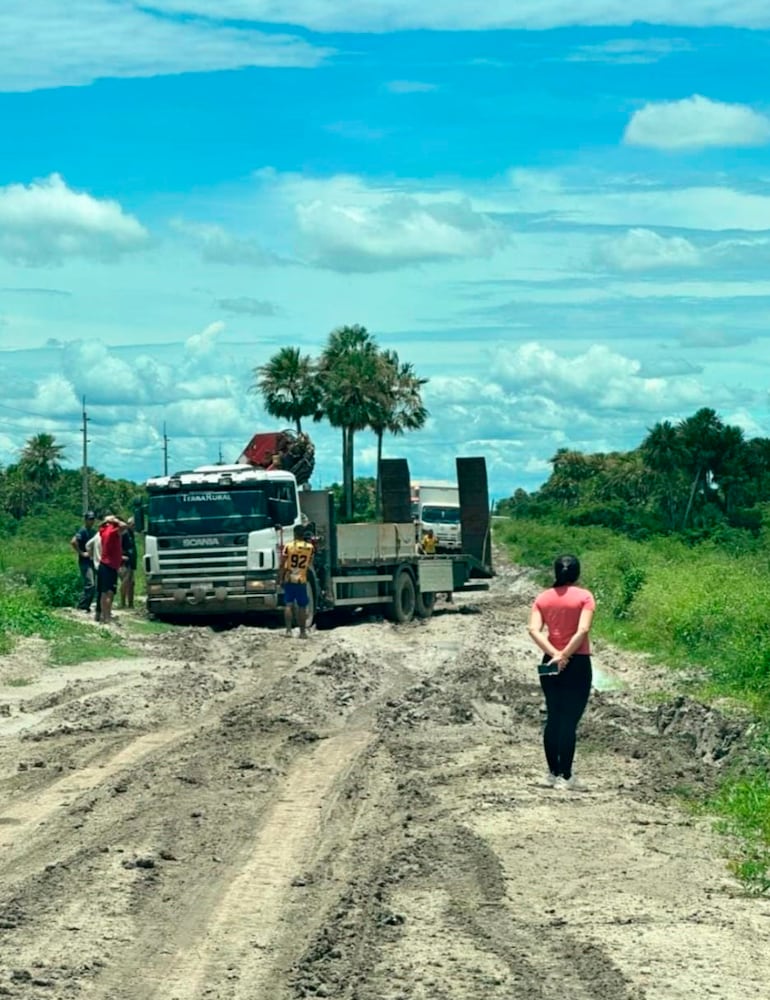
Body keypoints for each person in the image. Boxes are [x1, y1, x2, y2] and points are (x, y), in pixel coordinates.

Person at [528, 554, 595, 790]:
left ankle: (552, 774)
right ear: (577, 573)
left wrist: (555, 654)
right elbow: (583, 629)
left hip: (549, 662)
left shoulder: (542, 598)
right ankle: (566, 777)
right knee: (569, 720)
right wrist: (565, 654)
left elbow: (533, 630)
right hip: (577, 661)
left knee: (553, 718)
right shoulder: (585, 597)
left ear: (556, 572)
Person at [279, 524, 315, 638]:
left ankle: (288, 631)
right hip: (302, 579)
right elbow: (309, 562)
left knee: (288, 605)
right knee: (302, 606)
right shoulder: (309, 547)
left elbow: (282, 564)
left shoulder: (288, 546)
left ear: (294, 533)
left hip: (289, 578)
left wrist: (280, 577)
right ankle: (303, 632)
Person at [98, 515, 127, 625]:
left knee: (104, 593)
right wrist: (115, 520)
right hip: (109, 566)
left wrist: (107, 520)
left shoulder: (103, 530)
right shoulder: (112, 532)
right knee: (109, 593)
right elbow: (124, 526)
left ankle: (104, 616)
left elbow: (100, 525)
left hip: (105, 565)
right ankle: (107, 618)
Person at [70, 511, 97, 612]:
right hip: (84, 561)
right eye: (90, 519)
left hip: (92, 561)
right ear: (85, 520)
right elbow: (73, 541)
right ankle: (81, 605)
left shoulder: (93, 532)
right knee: (90, 584)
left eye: (93, 519)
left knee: (93, 585)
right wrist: (81, 553)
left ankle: (86, 606)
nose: (92, 521)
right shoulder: (83, 531)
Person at [85, 527, 103, 623]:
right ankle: (101, 612)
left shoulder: (97, 534)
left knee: (99, 589)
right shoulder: (104, 535)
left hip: (97, 564)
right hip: (105, 564)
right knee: (104, 590)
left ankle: (98, 612)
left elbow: (88, 545)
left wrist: (92, 556)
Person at [119, 516, 137, 609]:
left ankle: (131, 604)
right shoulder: (124, 534)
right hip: (124, 562)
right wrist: (122, 556)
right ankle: (122, 603)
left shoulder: (132, 534)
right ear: (129, 524)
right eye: (133, 525)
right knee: (125, 582)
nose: (134, 526)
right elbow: (119, 546)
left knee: (132, 583)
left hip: (131, 562)